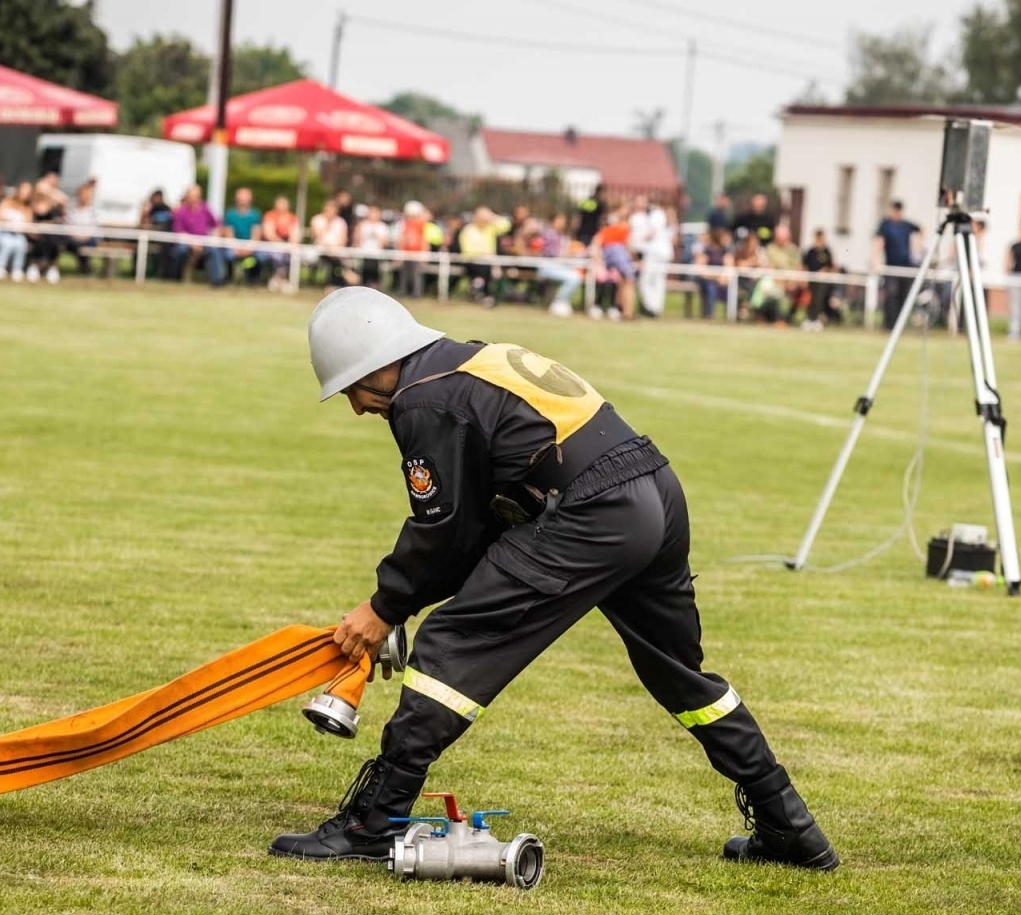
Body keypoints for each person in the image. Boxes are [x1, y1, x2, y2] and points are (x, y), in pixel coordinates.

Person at [271, 287, 840, 872]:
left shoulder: (421, 401)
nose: (357, 408)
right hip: (654, 490)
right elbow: (484, 520)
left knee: (452, 647)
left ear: (376, 366)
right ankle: (789, 826)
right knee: (680, 677)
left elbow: (445, 531)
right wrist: (397, 602)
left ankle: (373, 823)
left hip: (593, 509)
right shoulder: (467, 359)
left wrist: (385, 607)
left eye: (352, 391)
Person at [170, 184, 230, 287]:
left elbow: (216, 224)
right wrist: (192, 242)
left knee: (214, 250)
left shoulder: (204, 208)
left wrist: (215, 233)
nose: (195, 199)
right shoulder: (181, 211)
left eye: (196, 196)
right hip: (186, 242)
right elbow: (178, 231)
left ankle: (216, 280)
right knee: (180, 250)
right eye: (192, 196)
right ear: (187, 197)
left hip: (203, 241)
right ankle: (175, 277)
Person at [873, 201, 921, 327]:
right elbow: (879, 241)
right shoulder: (886, 225)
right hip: (891, 265)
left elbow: (921, 230)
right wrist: (876, 259)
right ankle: (889, 323)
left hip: (906, 265)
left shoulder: (906, 225)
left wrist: (916, 248)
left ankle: (899, 324)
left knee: (903, 295)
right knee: (891, 294)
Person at [532, 212, 583, 316]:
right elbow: (552, 253)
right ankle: (559, 301)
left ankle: (561, 301)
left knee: (576, 275)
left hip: (556, 265)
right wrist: (568, 254)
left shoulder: (560, 235)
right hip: (547, 265)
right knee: (575, 277)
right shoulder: (548, 234)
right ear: (553, 221)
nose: (562, 223)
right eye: (560, 220)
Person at [458, 206, 510, 306]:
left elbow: (506, 225)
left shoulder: (490, 228)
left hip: (489, 262)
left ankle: (480, 288)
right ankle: (485, 294)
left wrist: (493, 217)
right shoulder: (469, 230)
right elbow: (467, 251)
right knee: (484, 268)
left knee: (492, 270)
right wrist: (481, 255)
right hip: (472, 261)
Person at [0, 182, 34, 281]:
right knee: (7, 242)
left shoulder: (27, 208)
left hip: (18, 234)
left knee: (21, 243)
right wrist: (8, 223)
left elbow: (28, 224)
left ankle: (17, 269)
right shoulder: (7, 202)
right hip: (3, 232)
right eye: (23, 190)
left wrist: (19, 228)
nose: (25, 193)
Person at [261, 195, 300, 291]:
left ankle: (280, 279)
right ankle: (279, 279)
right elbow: (269, 234)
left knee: (292, 253)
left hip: (287, 245)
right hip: (272, 244)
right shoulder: (270, 215)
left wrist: (290, 244)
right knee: (278, 254)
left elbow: (295, 235)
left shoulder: (292, 218)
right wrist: (281, 244)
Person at [224, 187, 262, 284]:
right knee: (227, 255)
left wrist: (249, 248)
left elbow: (256, 234)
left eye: (245, 198)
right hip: (234, 246)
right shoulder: (230, 214)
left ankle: (250, 277)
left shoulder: (255, 215)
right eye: (241, 198)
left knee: (258, 257)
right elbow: (229, 234)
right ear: (236, 199)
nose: (243, 200)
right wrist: (236, 248)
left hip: (250, 246)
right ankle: (230, 277)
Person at [802, 229, 839, 330]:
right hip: (811, 281)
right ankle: (810, 319)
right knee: (811, 298)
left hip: (824, 283)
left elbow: (833, 267)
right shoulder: (810, 251)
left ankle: (815, 318)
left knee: (819, 296)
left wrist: (825, 271)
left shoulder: (827, 251)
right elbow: (804, 266)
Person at [310, 201, 352, 287]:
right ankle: (334, 283)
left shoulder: (341, 222)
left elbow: (343, 239)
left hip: (337, 251)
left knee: (340, 260)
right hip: (321, 250)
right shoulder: (317, 219)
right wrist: (328, 224)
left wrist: (335, 249)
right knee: (334, 261)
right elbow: (318, 236)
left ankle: (336, 282)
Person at [693, 228, 732, 321]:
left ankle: (730, 316)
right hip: (707, 280)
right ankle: (709, 316)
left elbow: (729, 266)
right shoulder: (707, 250)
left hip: (721, 280)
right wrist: (716, 277)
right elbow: (700, 269)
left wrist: (724, 277)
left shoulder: (725, 251)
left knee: (731, 289)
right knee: (711, 287)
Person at [65, 181, 101, 275]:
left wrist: (85, 236)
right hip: (73, 237)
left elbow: (94, 228)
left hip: (89, 238)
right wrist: (74, 235)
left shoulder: (94, 210)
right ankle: (85, 266)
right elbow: (67, 224)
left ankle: (84, 266)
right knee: (74, 244)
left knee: (86, 244)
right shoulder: (71, 209)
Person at [397, 200, 432, 298]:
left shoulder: (421, 225)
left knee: (416, 275)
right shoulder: (405, 224)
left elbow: (424, 241)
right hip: (406, 253)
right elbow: (402, 240)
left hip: (417, 254)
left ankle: (416, 293)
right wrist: (400, 253)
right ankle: (403, 291)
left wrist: (424, 255)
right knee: (405, 274)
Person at [354, 202, 391, 289]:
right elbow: (356, 241)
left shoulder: (383, 227)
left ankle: (374, 284)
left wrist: (377, 236)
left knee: (373, 264)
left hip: (377, 255)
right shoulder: (362, 225)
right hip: (363, 254)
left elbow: (386, 243)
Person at [141, 189, 175, 279]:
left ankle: (163, 274)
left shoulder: (166, 208)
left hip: (165, 239)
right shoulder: (151, 208)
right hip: (151, 237)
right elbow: (144, 223)